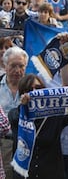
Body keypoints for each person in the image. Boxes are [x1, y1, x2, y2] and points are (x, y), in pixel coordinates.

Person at [9, 74, 68, 179]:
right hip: (24, 174)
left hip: (51, 174)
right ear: (22, 93)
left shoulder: (54, 116)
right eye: (29, 89)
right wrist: (25, 106)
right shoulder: (15, 114)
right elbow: (15, 118)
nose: (34, 92)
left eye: (38, 88)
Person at [0, 46, 28, 179]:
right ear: (5, 65)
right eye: (13, 66)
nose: (17, 70)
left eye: (21, 66)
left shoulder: (33, 86)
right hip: (3, 144)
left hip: (26, 144)